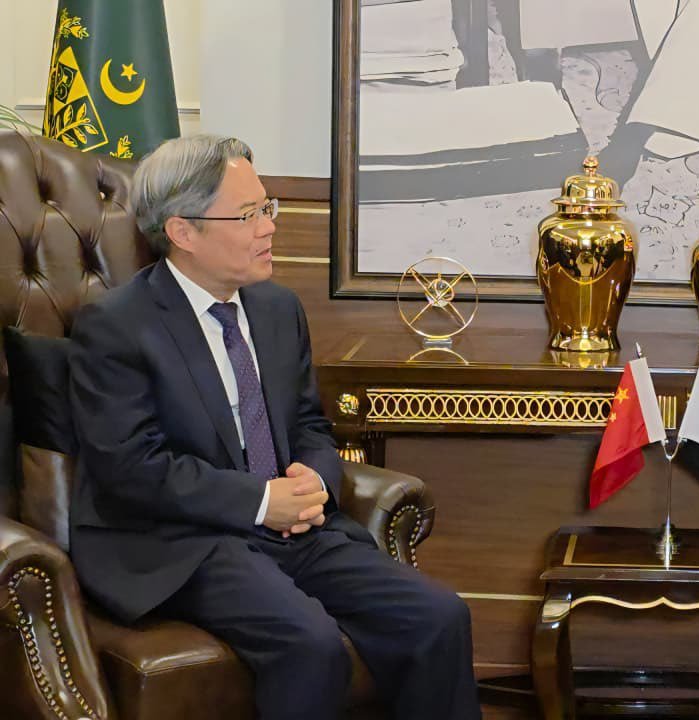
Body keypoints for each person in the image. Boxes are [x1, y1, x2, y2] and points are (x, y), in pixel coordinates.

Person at [68, 134, 482, 720]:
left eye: (268, 208)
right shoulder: (116, 326)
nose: (269, 227)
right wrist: (263, 501)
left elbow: (309, 421)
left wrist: (314, 480)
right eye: (249, 215)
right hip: (181, 541)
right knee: (309, 646)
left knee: (439, 617)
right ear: (183, 232)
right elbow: (131, 468)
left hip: (294, 530)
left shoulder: (277, 308)